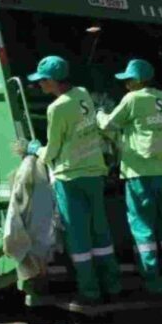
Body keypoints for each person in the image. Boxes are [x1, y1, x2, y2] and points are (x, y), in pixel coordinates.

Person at [24, 55, 121, 305]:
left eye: (42, 81)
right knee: (100, 231)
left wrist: (35, 149)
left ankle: (89, 291)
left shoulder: (56, 108)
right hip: (94, 173)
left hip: (70, 177)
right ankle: (112, 284)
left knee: (78, 235)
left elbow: (53, 150)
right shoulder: (82, 93)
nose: (40, 86)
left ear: (53, 81)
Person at [96, 58, 162, 296]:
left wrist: (98, 112)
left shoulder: (132, 99)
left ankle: (152, 281)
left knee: (143, 228)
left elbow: (109, 125)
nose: (126, 84)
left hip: (139, 173)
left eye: (129, 80)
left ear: (138, 80)